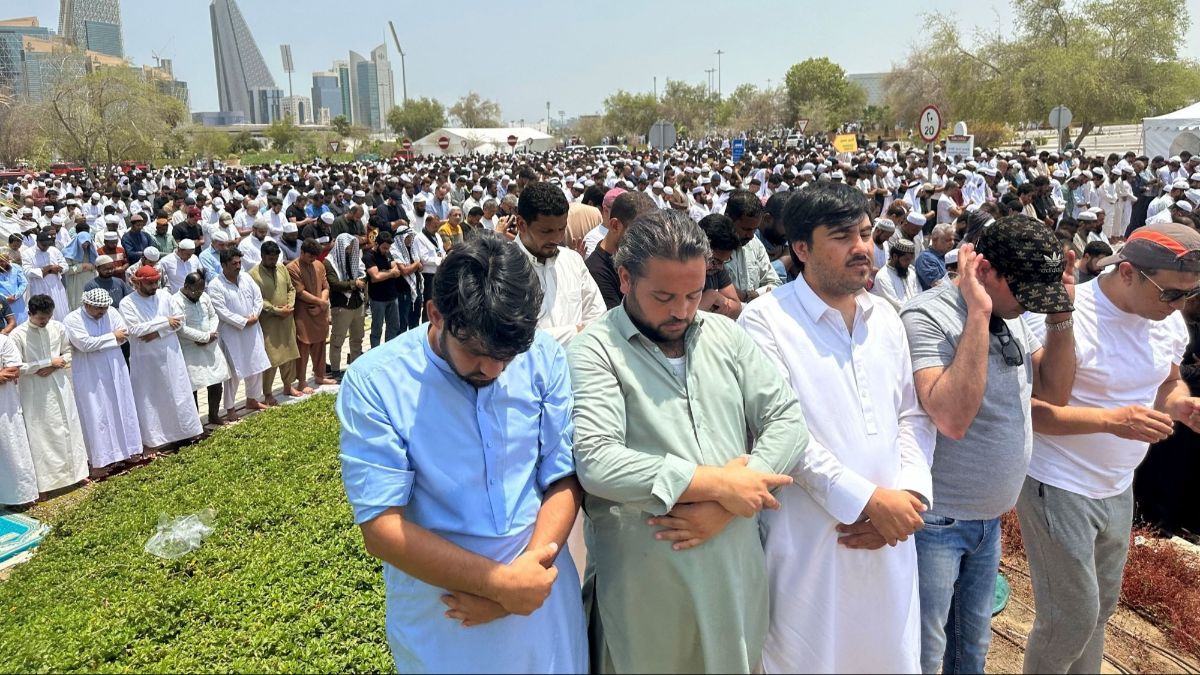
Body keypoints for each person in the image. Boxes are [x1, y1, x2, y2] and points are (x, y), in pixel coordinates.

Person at [567, 209, 807, 673]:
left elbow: (787, 418)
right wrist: (718, 484)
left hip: (735, 574)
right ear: (623, 278)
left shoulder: (724, 336)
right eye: (663, 296)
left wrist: (739, 492)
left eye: (694, 294)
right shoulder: (595, 351)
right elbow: (597, 461)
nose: (680, 310)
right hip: (646, 588)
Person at [337, 235, 587, 673]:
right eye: (477, 353)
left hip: (541, 587)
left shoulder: (543, 356)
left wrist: (524, 578)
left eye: (507, 358)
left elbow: (562, 476)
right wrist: (499, 586)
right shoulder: (375, 383)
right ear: (436, 314)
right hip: (447, 607)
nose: (493, 370)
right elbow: (381, 527)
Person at [738, 182, 935, 672]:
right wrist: (867, 501)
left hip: (890, 538)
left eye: (866, 234)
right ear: (801, 248)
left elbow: (912, 415)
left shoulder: (885, 318)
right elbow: (782, 434)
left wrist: (908, 495)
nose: (862, 248)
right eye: (843, 236)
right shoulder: (765, 321)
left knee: (890, 654)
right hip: (809, 544)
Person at [1017, 223, 1200, 674]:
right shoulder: (1064, 312)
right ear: (1128, 273)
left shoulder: (1166, 322)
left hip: (1118, 485)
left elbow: (1168, 382)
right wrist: (1114, 421)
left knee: (1098, 611)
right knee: (1070, 618)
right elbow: (1033, 412)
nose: (1180, 306)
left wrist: (1183, 405)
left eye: (1189, 295)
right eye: (1171, 293)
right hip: (1057, 480)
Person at [900, 215, 1078, 674]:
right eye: (1026, 294)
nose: (1029, 306)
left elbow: (1054, 392)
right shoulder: (929, 315)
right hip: (936, 521)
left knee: (972, 648)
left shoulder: (1011, 313)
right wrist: (977, 313)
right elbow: (951, 418)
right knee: (924, 649)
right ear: (986, 272)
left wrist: (1060, 315)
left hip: (988, 521)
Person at [9, 294, 89, 494]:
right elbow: (17, 367)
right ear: (30, 314)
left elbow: (68, 352)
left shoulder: (58, 327)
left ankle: (76, 474)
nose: (45, 321)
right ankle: (47, 485)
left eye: (48, 317)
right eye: (40, 318)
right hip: (35, 392)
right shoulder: (18, 335)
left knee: (68, 427)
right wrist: (45, 364)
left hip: (60, 385)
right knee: (42, 434)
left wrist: (54, 366)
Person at [119, 265, 203, 453]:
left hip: (170, 354)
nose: (154, 286)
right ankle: (154, 440)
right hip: (146, 360)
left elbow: (180, 319)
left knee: (177, 392)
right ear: (137, 283)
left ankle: (186, 431)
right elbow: (135, 330)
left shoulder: (165, 296)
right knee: (150, 398)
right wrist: (165, 322)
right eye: (149, 283)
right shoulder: (127, 303)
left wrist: (157, 332)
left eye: (156, 282)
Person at [514, 182, 605, 345]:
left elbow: (599, 319)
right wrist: (575, 331)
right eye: (546, 231)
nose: (557, 238)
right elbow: (516, 340)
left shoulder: (573, 261)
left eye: (562, 229)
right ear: (521, 224)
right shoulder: (500, 268)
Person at [63, 288, 142, 476]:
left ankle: (129, 450)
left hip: (115, 368)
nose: (102, 313)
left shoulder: (112, 312)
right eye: (98, 309)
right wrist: (111, 337)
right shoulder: (72, 319)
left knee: (122, 407)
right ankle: (99, 461)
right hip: (90, 373)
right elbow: (84, 345)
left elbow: (124, 336)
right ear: (87, 305)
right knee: (95, 412)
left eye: (105, 309)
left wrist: (106, 340)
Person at [208, 248, 272, 422]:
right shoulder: (216, 285)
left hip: (252, 329)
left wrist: (254, 316)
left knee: (256, 366)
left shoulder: (246, 278)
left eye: (239, 262)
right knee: (234, 373)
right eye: (233, 263)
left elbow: (258, 298)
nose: (237, 266)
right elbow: (221, 311)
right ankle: (230, 408)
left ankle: (252, 399)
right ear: (223, 265)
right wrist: (243, 321)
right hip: (232, 334)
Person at [174, 272, 230, 427]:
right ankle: (196, 424)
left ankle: (214, 415)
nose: (198, 294)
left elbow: (214, 316)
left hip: (209, 345)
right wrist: (202, 337)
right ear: (186, 287)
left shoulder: (204, 297)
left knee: (217, 381)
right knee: (193, 387)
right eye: (195, 291)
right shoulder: (175, 301)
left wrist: (209, 335)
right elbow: (181, 328)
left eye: (201, 290)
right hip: (190, 348)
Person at [249, 241, 301, 402]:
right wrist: (276, 310)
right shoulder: (253, 274)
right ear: (262, 256)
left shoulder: (282, 268)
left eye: (275, 258)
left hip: (286, 318)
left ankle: (288, 385)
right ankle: (268, 393)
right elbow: (258, 300)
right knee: (271, 358)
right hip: (269, 321)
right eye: (270, 258)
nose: (273, 261)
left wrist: (290, 305)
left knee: (289, 353)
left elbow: (291, 288)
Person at [585, 192, 657, 309]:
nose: (646, 242)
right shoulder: (596, 273)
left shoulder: (634, 258)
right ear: (614, 226)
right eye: (638, 234)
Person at [287, 238, 334, 392]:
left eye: (314, 257)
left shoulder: (319, 265)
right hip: (303, 312)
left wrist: (322, 304)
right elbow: (300, 292)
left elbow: (325, 287)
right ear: (302, 252)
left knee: (320, 343)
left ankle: (320, 375)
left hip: (319, 311)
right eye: (309, 256)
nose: (312, 260)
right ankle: (301, 381)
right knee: (304, 347)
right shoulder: (292, 268)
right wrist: (322, 303)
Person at [724, 189, 782, 302]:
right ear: (728, 219)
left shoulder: (755, 244)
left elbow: (775, 284)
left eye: (755, 229)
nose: (750, 235)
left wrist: (751, 295)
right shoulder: (711, 247)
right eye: (746, 229)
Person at [0, 326, 36, 506]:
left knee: (11, 446)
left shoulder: (3, 341)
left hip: (4, 406)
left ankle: (21, 496)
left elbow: (13, 370)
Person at [324, 233, 366, 375]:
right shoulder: (329, 262)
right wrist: (354, 283)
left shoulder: (353, 258)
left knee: (357, 338)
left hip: (357, 303)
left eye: (352, 247)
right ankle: (335, 370)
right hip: (342, 305)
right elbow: (334, 283)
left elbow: (363, 274)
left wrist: (362, 280)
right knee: (337, 340)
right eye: (348, 247)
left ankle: (355, 368)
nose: (350, 250)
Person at [697, 213, 744, 319]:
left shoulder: (716, 268)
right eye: (714, 261)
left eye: (724, 262)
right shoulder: (681, 270)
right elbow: (686, 319)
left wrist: (719, 299)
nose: (720, 267)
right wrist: (710, 297)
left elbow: (737, 308)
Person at [364, 230, 407, 347]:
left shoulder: (388, 253)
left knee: (394, 326)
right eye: (384, 248)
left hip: (392, 296)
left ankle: (389, 350)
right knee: (377, 329)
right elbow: (375, 277)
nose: (386, 250)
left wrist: (385, 273)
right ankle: (375, 353)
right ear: (376, 244)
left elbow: (397, 271)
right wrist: (390, 273)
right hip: (378, 299)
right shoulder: (369, 256)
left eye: (388, 248)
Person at [22, 229, 69, 321]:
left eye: (48, 245)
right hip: (38, 287)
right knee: (42, 312)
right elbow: (27, 271)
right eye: (44, 245)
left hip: (56, 286)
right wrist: (47, 269)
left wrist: (59, 269)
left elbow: (65, 266)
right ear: (37, 242)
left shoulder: (54, 251)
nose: (46, 247)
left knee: (59, 311)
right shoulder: (28, 253)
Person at [871, 238, 921, 310]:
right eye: (906, 259)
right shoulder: (883, 277)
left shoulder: (911, 272)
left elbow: (918, 294)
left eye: (911, 259)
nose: (909, 263)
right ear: (895, 257)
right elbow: (895, 305)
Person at [61, 230, 97, 310]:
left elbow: (95, 264)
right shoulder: (67, 252)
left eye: (87, 245)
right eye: (83, 245)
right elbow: (67, 270)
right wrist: (82, 266)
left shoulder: (91, 251)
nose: (85, 247)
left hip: (90, 280)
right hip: (75, 283)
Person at [914, 223, 955, 291]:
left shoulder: (947, 256)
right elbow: (937, 285)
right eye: (948, 240)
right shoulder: (926, 258)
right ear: (934, 240)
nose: (952, 243)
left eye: (953, 239)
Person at [0, 252, 29, 326]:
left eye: (4, 261)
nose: (2, 263)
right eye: (0, 261)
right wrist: (5, 298)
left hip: (17, 301)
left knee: (21, 325)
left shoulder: (15, 267)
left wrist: (16, 295)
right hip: (2, 303)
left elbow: (23, 283)